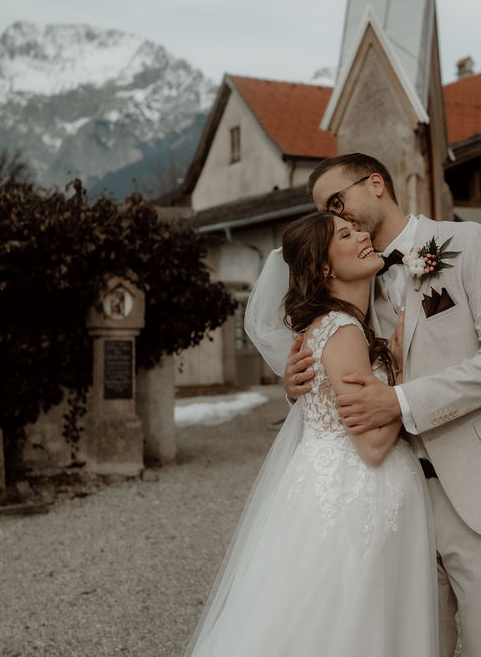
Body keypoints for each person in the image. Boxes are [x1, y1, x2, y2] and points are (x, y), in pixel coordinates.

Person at [274, 153, 481, 657]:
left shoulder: (470, 243)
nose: (335, 219)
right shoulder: (353, 283)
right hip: (394, 497)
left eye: (337, 202)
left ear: (376, 184)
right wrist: (298, 382)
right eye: (326, 213)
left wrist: (400, 399)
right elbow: (343, 363)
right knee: (416, 644)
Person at [186, 211, 438, 657]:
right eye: (346, 234)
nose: (363, 235)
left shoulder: (331, 327)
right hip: (358, 495)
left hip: (327, 489)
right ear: (323, 268)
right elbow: (373, 447)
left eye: (357, 228)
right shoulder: (343, 331)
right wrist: (402, 376)